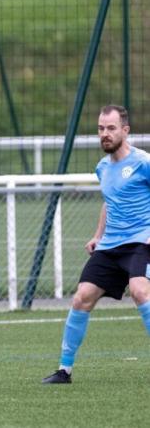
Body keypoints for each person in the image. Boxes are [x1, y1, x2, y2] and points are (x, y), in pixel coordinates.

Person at [42, 104, 150, 384]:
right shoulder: (102, 167)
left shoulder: (143, 162)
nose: (105, 134)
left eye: (111, 128)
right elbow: (109, 202)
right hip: (111, 246)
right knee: (81, 298)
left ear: (125, 131)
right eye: (101, 129)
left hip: (142, 241)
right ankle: (64, 371)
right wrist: (98, 236)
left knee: (141, 291)